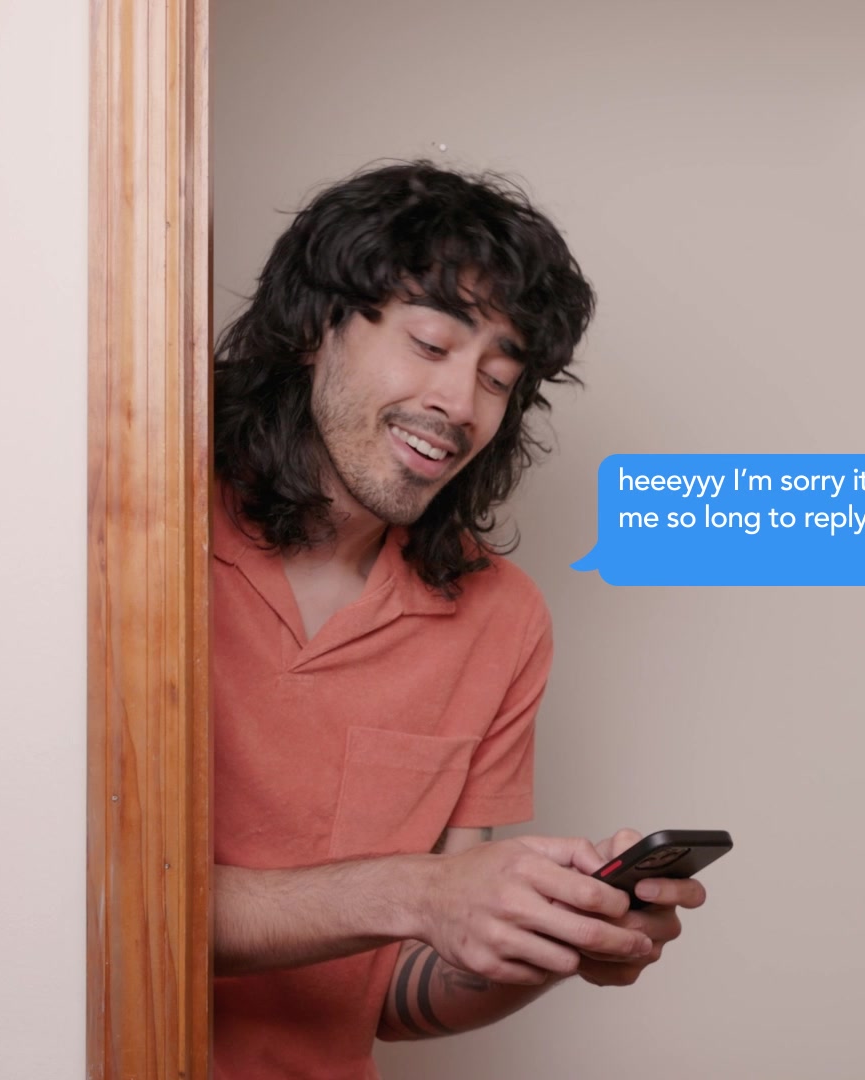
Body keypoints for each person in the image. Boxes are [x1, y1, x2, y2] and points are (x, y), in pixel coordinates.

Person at [211, 161, 706, 1079]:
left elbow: (395, 992)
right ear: (316, 326)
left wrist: (551, 937)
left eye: (498, 377)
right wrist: (420, 890)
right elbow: (89, 902)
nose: (459, 404)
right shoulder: (138, 538)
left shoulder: (502, 620)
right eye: (431, 343)